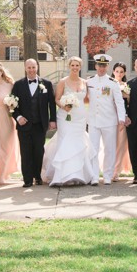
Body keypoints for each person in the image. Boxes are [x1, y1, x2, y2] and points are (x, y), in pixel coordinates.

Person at [42, 56, 98, 186]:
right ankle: (62, 176)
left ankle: (78, 175)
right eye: (72, 65)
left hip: (80, 118)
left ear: (80, 67)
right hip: (65, 117)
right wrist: (64, 106)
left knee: (78, 144)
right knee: (66, 143)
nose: (75, 68)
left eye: (77, 65)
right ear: (69, 66)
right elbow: (56, 99)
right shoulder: (63, 81)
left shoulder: (85, 82)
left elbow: (86, 100)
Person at [12, 59, 57, 188]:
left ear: (37, 67)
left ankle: (37, 177)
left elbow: (52, 104)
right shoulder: (18, 85)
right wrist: (18, 117)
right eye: (29, 67)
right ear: (25, 68)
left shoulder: (46, 84)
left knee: (38, 151)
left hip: (40, 124)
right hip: (24, 125)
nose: (31, 70)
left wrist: (52, 119)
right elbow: (12, 104)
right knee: (25, 152)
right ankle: (27, 179)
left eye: (33, 67)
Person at [86, 54, 127, 184]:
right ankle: (94, 176)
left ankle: (108, 176)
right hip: (93, 121)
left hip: (109, 121)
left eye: (104, 66)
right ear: (96, 66)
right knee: (94, 149)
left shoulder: (113, 83)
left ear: (107, 66)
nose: (101, 68)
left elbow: (119, 102)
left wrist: (121, 119)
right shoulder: (89, 81)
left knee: (109, 149)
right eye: (99, 65)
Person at [112, 62, 134, 182]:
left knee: (120, 145)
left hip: (122, 118)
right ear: (113, 71)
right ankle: (109, 168)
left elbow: (131, 103)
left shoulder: (127, 85)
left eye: (121, 72)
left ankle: (116, 171)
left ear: (124, 73)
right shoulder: (109, 84)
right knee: (110, 145)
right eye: (117, 71)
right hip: (110, 118)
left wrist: (127, 96)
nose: (119, 74)